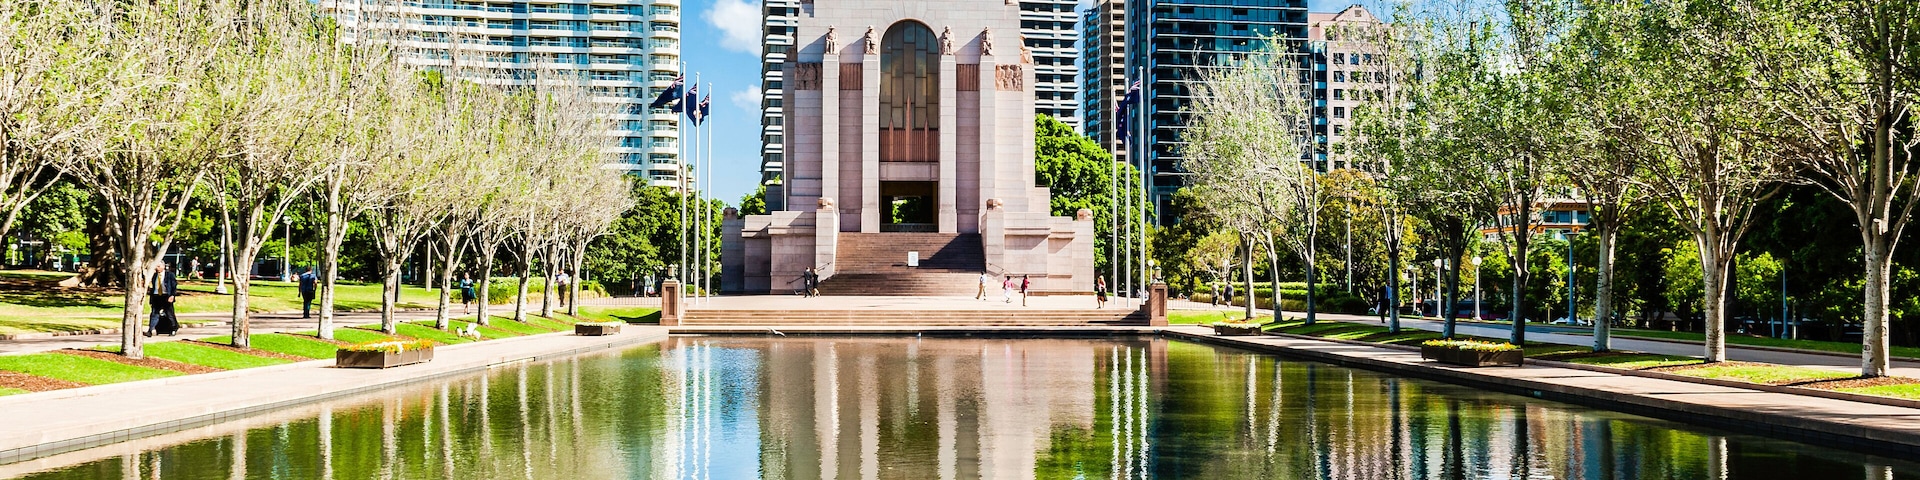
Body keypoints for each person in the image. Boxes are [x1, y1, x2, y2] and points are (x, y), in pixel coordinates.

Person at [146, 262, 179, 336]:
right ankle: (150, 330)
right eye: (156, 266)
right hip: (156, 296)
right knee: (154, 313)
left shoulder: (169, 275)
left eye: (158, 266)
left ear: (163, 266)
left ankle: (174, 328)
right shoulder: (154, 276)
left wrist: (172, 295)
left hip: (166, 296)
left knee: (169, 313)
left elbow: (174, 286)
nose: (157, 268)